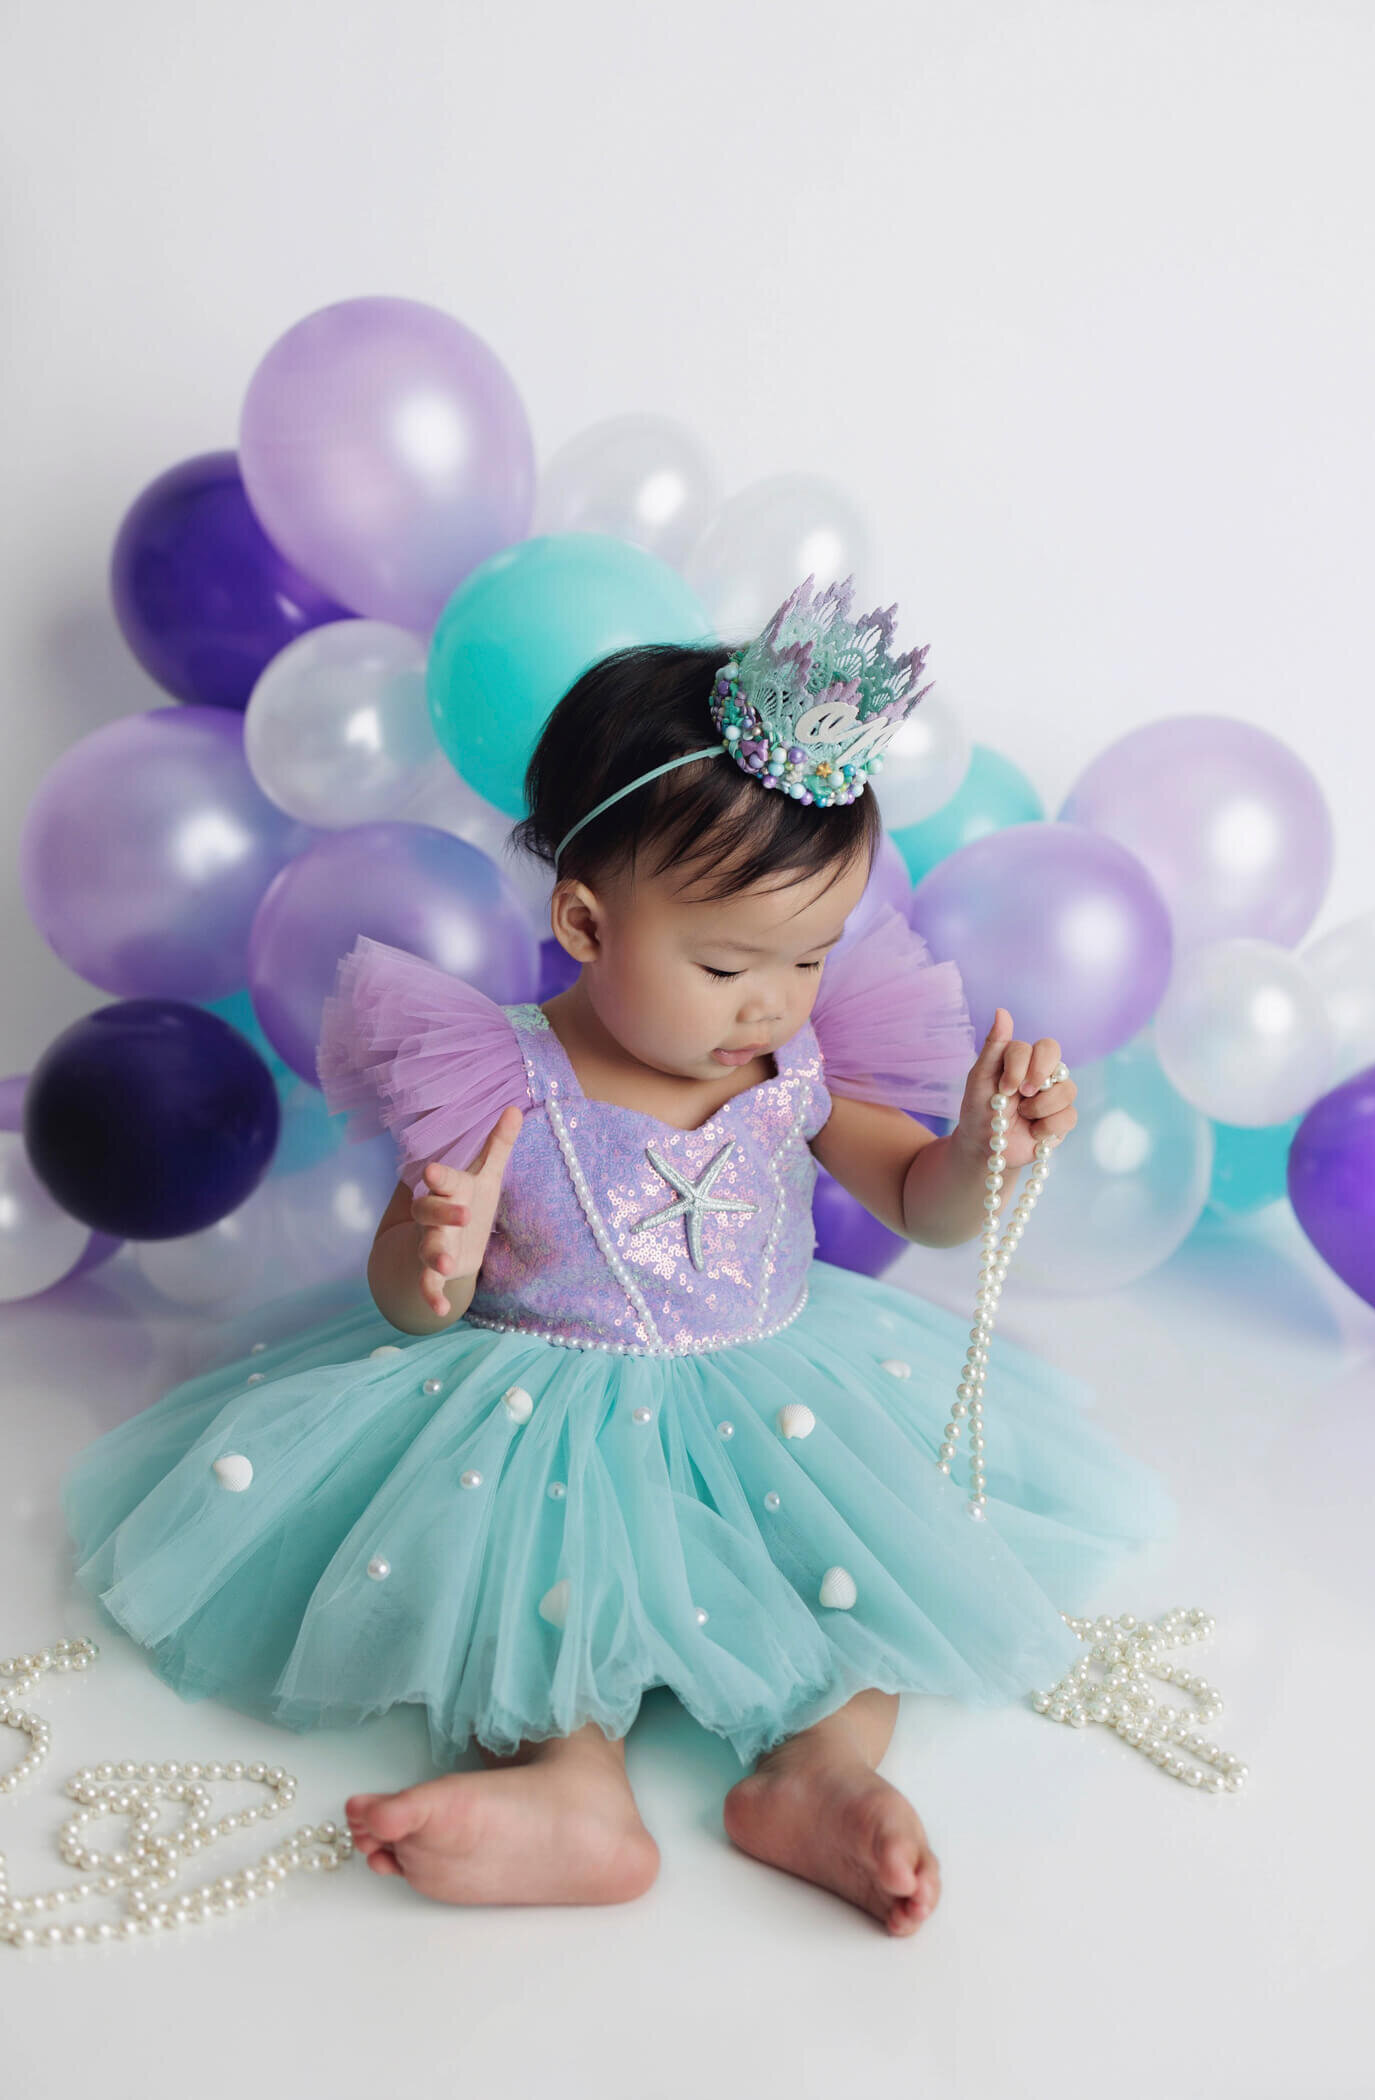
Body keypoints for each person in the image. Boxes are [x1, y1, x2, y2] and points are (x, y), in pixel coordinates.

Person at [60, 575, 1175, 1937]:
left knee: (851, 1595)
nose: (772, 1002)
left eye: (810, 959)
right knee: (534, 1604)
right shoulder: (499, 1073)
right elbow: (412, 1306)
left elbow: (924, 1207)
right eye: (726, 966)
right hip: (538, 1409)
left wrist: (990, 1152)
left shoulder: (800, 1059)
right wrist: (435, 1255)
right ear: (587, 925)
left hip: (774, 1398)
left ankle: (817, 1775)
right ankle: (571, 1789)